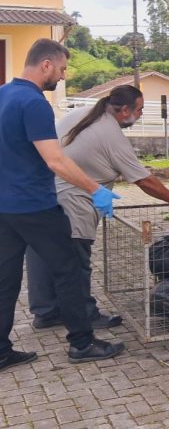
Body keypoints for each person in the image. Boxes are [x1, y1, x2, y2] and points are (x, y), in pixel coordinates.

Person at [0, 39, 125, 372]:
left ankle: (0, 350)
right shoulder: (33, 102)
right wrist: (95, 189)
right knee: (69, 269)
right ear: (45, 65)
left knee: (6, 278)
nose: (62, 74)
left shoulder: (3, 94)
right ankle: (82, 344)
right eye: (62, 68)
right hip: (34, 206)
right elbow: (56, 160)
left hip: (4, 206)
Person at [26, 85, 169, 330]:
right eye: (140, 109)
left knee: (41, 254)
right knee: (76, 259)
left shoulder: (83, 113)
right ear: (125, 110)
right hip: (73, 199)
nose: (141, 114)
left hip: (42, 193)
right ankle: (86, 315)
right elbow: (144, 180)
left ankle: (45, 312)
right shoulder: (109, 133)